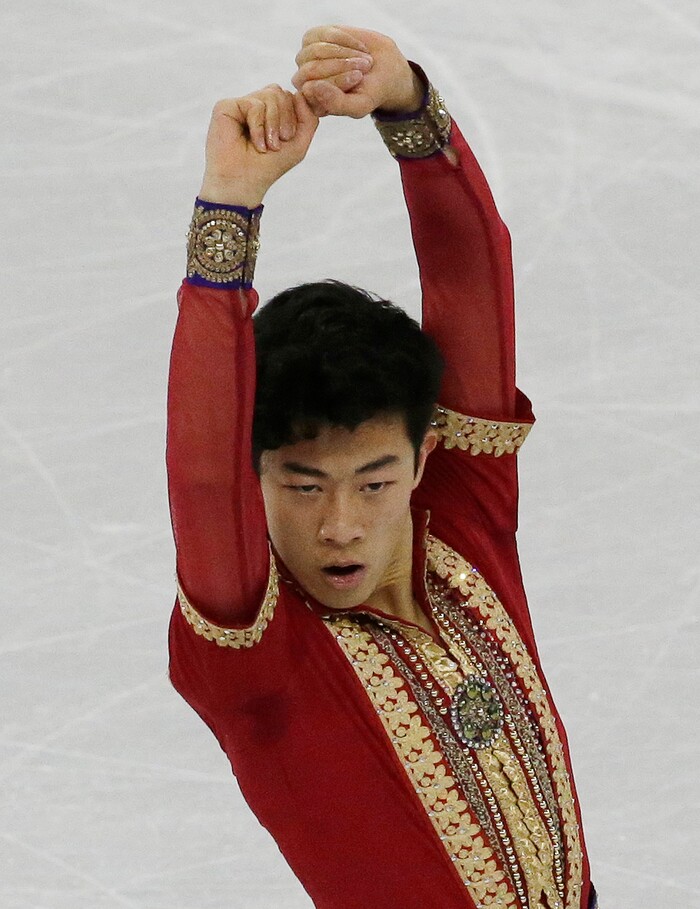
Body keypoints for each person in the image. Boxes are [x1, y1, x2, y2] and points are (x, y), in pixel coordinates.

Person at [166, 25, 597, 909]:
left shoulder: (468, 523)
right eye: (301, 482)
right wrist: (228, 209)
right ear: (256, 480)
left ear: (423, 454)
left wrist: (409, 109)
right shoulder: (263, 652)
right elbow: (202, 470)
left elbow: (474, 283)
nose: (340, 525)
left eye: (372, 482)